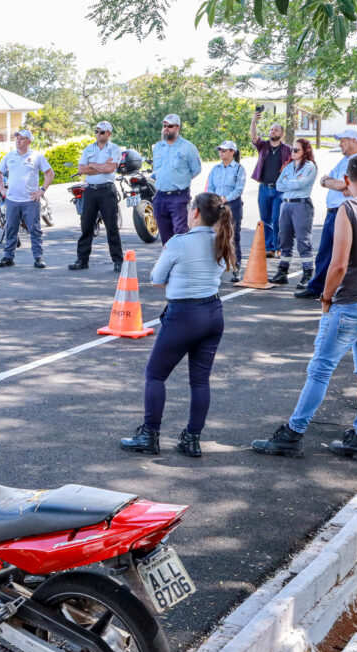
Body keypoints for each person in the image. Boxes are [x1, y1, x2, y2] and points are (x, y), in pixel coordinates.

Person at [252, 155, 357, 463]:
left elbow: (339, 263)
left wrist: (327, 297)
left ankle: (293, 433)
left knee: (320, 369)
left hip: (353, 300)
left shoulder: (349, 209)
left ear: (347, 180)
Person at [119, 192, 236, 458]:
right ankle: (192, 438)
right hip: (213, 312)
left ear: (195, 212)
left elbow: (157, 279)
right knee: (200, 380)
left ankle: (150, 434)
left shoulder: (178, 243)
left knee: (155, 374)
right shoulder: (222, 239)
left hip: (184, 314)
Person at [295, 128, 357, 299]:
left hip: (345, 212)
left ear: (354, 141)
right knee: (325, 252)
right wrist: (329, 182)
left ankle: (339, 290)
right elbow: (326, 180)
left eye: (343, 141)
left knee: (342, 253)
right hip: (332, 211)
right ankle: (318, 286)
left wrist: (333, 182)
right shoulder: (344, 160)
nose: (340, 144)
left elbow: (342, 185)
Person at [0, 129, 55, 269]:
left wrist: (42, 190)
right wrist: (2, 188)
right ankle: (8, 257)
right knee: (11, 229)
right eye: (17, 138)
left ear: (29, 141)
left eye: (21, 138)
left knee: (34, 229)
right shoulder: (9, 156)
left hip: (30, 200)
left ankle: (38, 257)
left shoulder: (37, 156)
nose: (18, 141)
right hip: (12, 200)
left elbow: (50, 173)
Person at [68, 121, 124, 272]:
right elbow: (81, 169)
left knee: (111, 226)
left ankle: (118, 260)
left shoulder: (115, 149)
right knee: (86, 226)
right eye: (96, 131)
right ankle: (82, 260)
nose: (98, 134)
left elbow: (110, 168)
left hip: (107, 191)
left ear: (109, 134)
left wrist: (92, 165)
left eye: (102, 132)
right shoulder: (89, 149)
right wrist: (100, 167)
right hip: (91, 190)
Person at [269, 138, 317, 287]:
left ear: (305, 151)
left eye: (296, 150)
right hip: (286, 204)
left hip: (301, 205)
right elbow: (279, 185)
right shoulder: (289, 166)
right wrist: (292, 182)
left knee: (303, 240)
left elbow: (300, 184)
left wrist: (288, 182)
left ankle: (308, 273)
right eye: (292, 149)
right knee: (284, 238)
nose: (293, 152)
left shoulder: (309, 166)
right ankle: (282, 271)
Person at [151, 114, 202, 245]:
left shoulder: (188, 147)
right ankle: (170, 263)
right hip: (160, 196)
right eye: (164, 126)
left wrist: (181, 180)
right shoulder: (157, 147)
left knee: (180, 233)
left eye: (170, 126)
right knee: (165, 235)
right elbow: (157, 169)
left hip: (178, 196)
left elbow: (196, 169)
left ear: (178, 127)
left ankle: (183, 263)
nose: (166, 129)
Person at [249, 112, 292, 256]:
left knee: (276, 218)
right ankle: (269, 249)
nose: (272, 131)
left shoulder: (287, 150)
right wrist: (253, 122)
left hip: (280, 190)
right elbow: (254, 137)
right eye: (271, 129)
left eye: (276, 130)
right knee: (265, 219)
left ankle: (278, 247)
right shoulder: (264, 146)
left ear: (282, 134)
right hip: (264, 188)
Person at [204, 140, 245, 280]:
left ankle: (236, 266)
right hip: (217, 205)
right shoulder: (215, 169)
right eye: (220, 150)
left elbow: (238, 189)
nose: (221, 152)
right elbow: (210, 187)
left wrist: (225, 199)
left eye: (224, 150)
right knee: (214, 235)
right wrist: (215, 199)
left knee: (233, 236)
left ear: (232, 152)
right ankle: (215, 267)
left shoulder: (239, 169)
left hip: (232, 205)